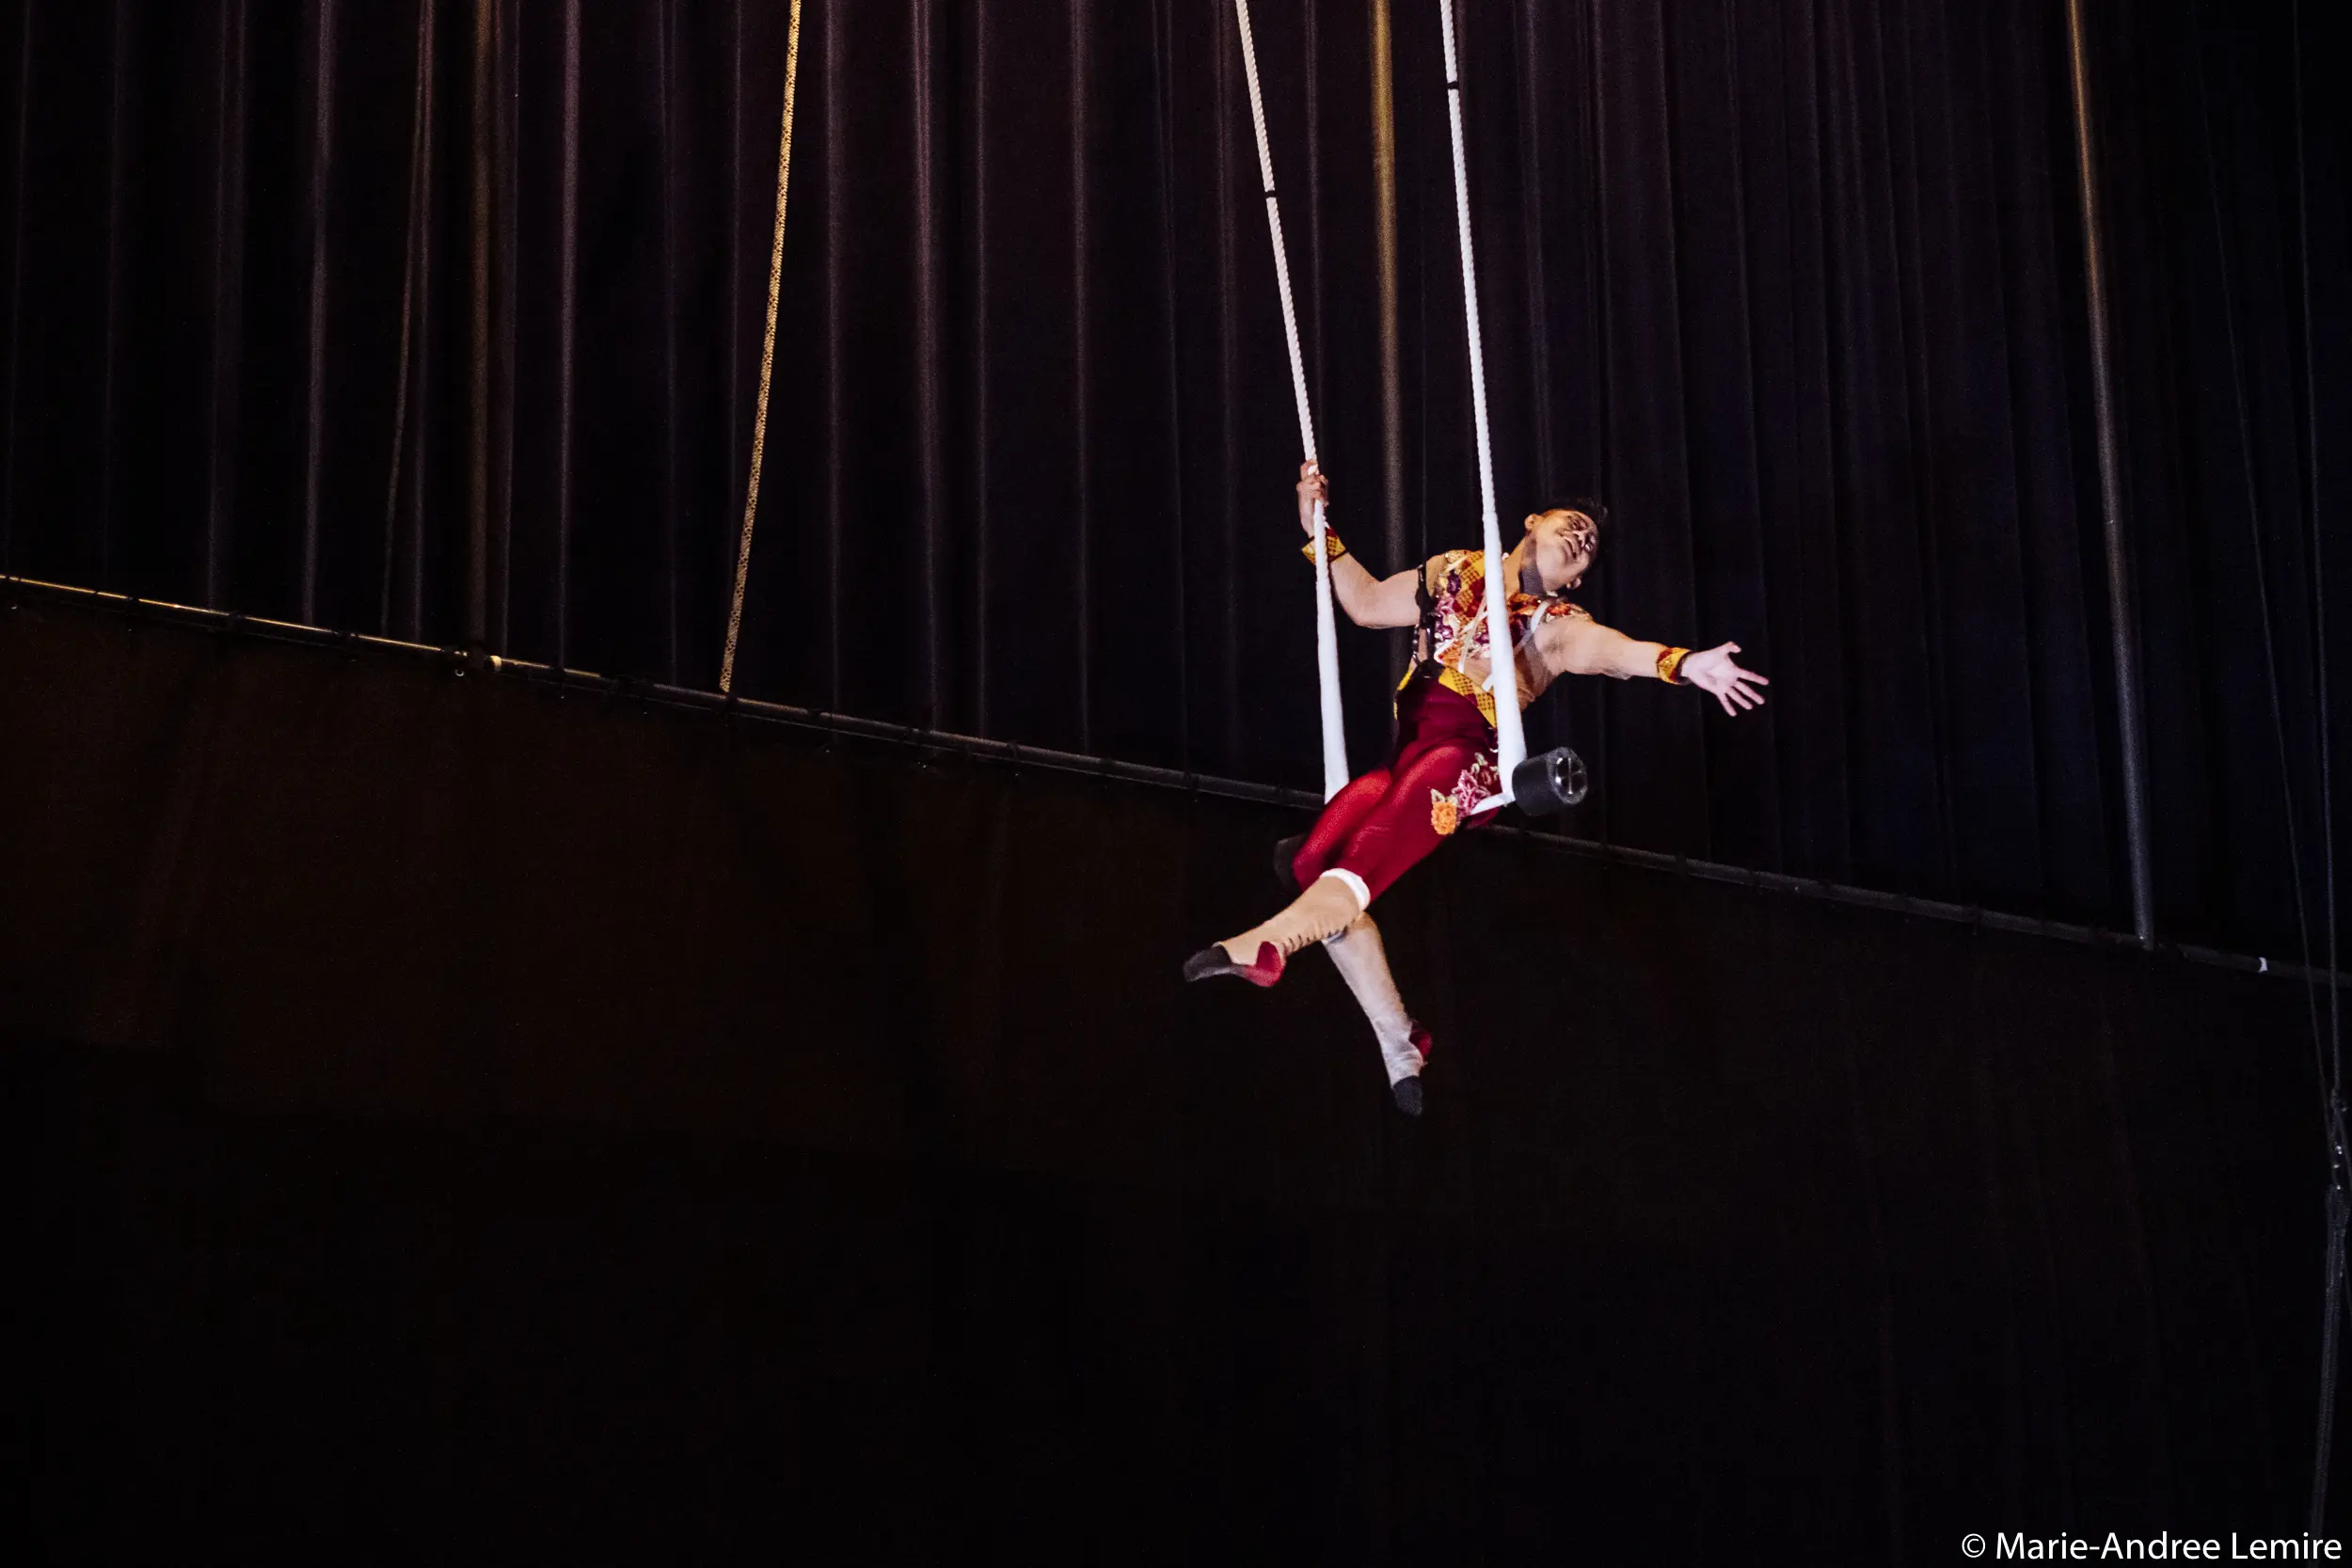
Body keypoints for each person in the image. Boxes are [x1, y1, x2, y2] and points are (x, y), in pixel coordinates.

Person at [1184, 462, 1770, 1116]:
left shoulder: (1556, 625)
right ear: (1531, 522)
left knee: (1366, 855)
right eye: (1572, 524)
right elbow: (1367, 603)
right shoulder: (1452, 571)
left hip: (1464, 768)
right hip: (1403, 761)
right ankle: (1399, 1036)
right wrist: (1320, 532)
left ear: (1575, 580)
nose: (1581, 537)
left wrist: (1686, 664)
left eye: (1589, 547)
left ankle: (1269, 945)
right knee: (1310, 859)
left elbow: (1616, 651)